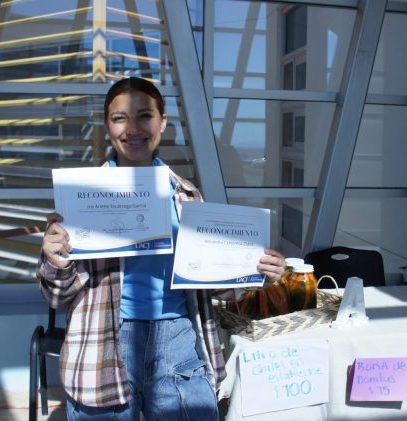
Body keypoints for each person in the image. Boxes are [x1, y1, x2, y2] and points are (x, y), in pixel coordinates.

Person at [39, 77, 286, 420]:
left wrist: (255, 270)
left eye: (145, 116)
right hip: (103, 344)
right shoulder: (81, 198)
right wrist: (55, 261)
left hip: (179, 340)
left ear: (163, 122)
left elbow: (212, 286)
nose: (133, 129)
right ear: (107, 125)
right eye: (119, 118)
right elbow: (56, 296)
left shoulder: (187, 196)